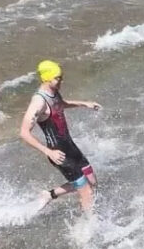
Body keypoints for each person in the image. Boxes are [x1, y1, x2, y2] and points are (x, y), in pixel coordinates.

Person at [19, 60, 102, 212]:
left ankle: (49, 195)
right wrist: (48, 152)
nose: (61, 81)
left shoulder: (53, 92)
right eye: (57, 78)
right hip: (59, 154)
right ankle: (89, 227)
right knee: (87, 192)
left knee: (92, 181)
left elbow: (61, 104)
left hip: (70, 147)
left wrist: (84, 104)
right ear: (46, 78)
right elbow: (24, 132)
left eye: (61, 77)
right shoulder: (39, 102)